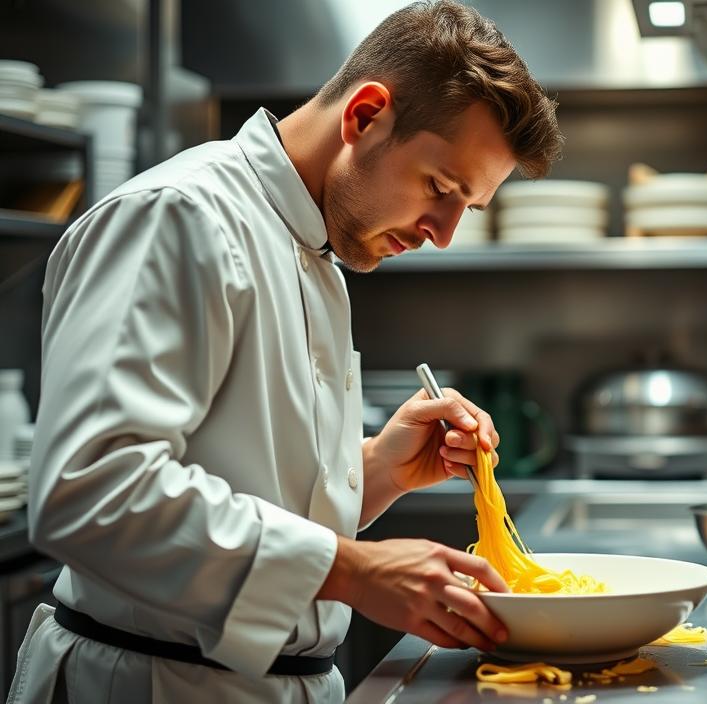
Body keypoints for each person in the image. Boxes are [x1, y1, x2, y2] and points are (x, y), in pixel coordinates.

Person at [9, 1, 562, 701]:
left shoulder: (320, 253)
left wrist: (373, 473)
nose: (443, 233)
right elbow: (89, 490)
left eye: (467, 208)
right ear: (365, 116)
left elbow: (240, 479)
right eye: (441, 189)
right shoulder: (180, 215)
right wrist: (354, 569)